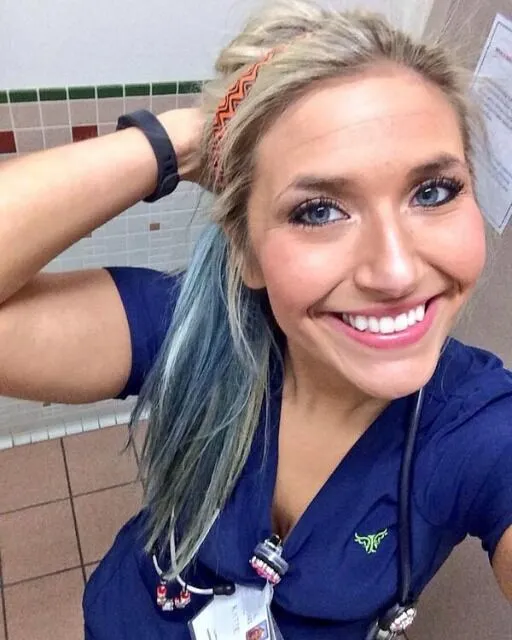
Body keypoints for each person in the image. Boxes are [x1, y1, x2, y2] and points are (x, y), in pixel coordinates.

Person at [0, 1, 510, 638]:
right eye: (319, 210)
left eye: (432, 192)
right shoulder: (187, 328)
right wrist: (184, 138)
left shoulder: (480, 430)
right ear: (246, 251)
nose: (396, 271)